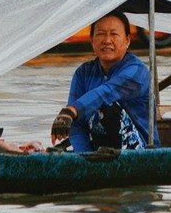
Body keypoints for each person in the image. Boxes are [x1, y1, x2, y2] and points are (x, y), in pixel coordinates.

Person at [50, 12, 159, 151]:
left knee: (106, 109)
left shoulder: (137, 71)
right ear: (92, 40)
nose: (107, 40)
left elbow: (107, 93)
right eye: (101, 34)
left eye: (114, 34)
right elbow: (77, 127)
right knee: (77, 121)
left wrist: (72, 110)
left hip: (141, 152)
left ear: (127, 41)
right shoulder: (83, 73)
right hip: (97, 153)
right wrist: (85, 157)